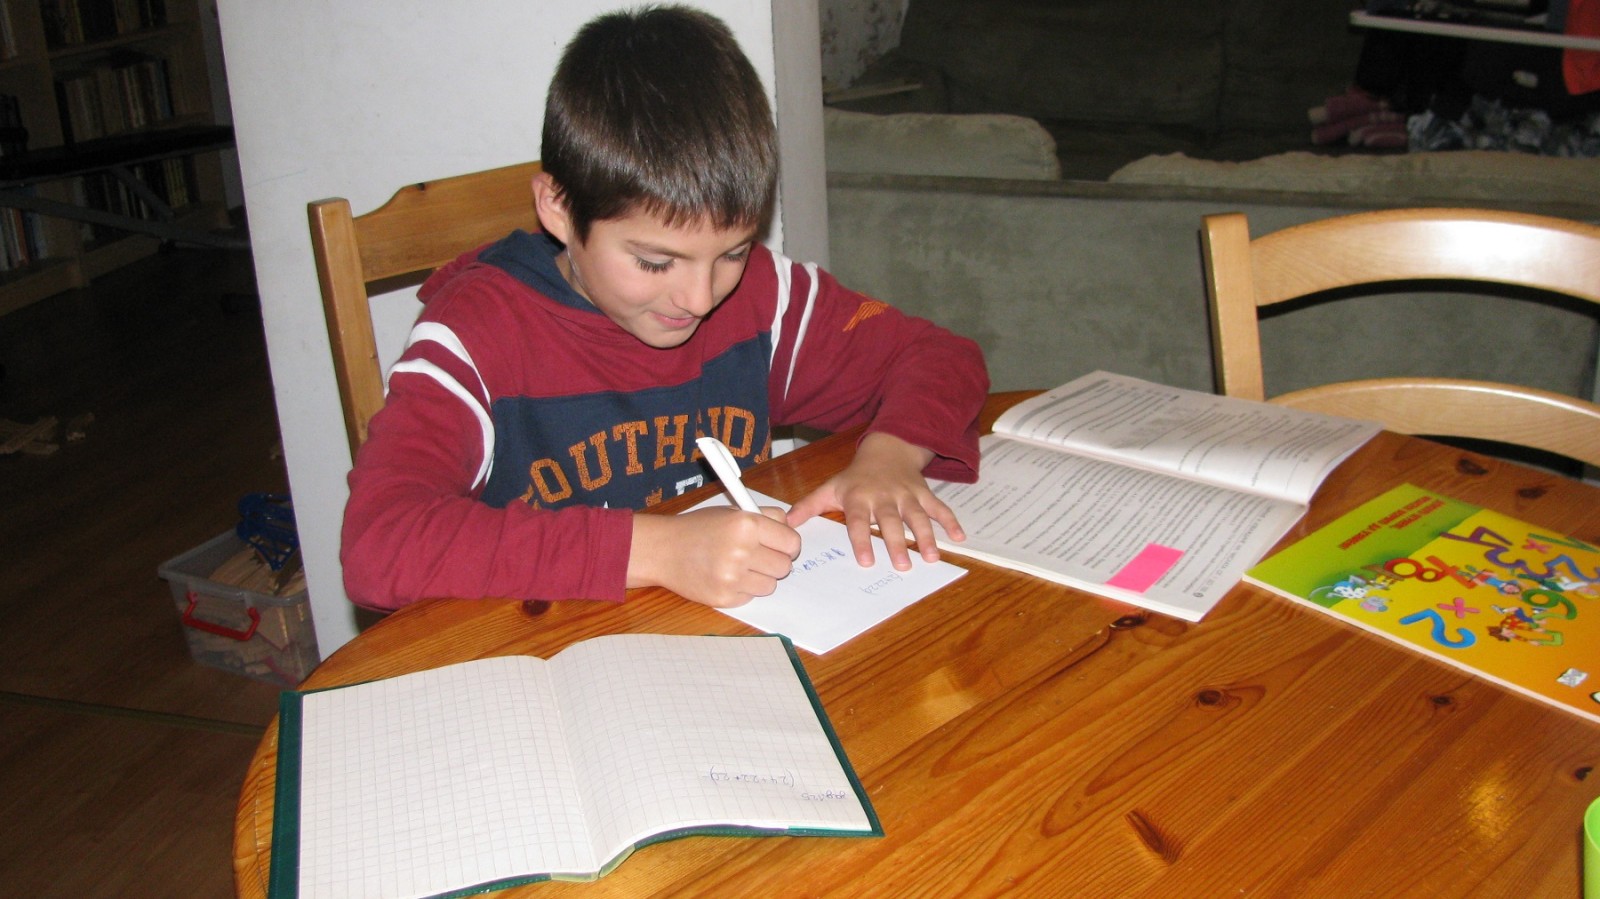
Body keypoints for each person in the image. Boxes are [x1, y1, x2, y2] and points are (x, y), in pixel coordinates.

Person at [340, 4, 989, 613]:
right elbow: (377, 544)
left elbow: (939, 358)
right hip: (545, 649)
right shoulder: (479, 333)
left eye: (732, 251)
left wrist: (889, 457)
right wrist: (656, 550)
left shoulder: (760, 297)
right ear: (558, 210)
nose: (699, 298)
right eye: (655, 262)